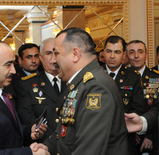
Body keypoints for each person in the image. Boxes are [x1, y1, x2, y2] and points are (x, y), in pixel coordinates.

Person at [43, 27, 129, 155]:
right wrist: (44, 148)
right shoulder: (80, 83)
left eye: (57, 54)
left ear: (75, 54)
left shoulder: (96, 87)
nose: (54, 60)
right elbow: (65, 133)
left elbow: (89, 149)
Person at [16, 38, 66, 142]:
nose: (54, 58)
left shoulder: (71, 81)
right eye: (49, 53)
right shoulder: (27, 85)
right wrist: (53, 141)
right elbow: (27, 117)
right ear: (41, 57)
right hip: (44, 144)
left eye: (57, 53)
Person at [125, 40, 159, 155]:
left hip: (153, 136)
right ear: (126, 55)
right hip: (127, 137)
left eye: (140, 52)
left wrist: (149, 135)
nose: (136, 56)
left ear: (146, 55)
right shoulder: (122, 79)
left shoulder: (156, 77)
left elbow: (156, 108)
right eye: (132, 52)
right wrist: (132, 133)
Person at [103, 36, 144, 115]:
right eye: (109, 51)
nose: (112, 56)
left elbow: (138, 108)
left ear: (124, 55)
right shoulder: (94, 74)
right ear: (104, 52)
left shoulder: (133, 77)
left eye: (117, 52)